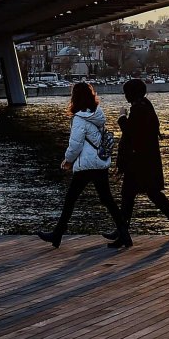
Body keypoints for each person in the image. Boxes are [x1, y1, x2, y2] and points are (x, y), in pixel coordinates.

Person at [38, 82, 129, 250]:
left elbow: (75, 145)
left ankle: (57, 235)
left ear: (75, 98)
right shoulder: (98, 115)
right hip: (99, 164)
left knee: (70, 199)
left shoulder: (79, 118)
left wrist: (68, 161)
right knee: (107, 199)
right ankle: (125, 234)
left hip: (86, 165)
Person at [106, 79, 169, 246]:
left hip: (138, 163)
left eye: (126, 93)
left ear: (132, 93)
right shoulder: (146, 106)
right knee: (151, 194)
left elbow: (132, 134)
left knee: (129, 195)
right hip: (147, 161)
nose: (125, 96)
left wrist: (122, 118)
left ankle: (123, 232)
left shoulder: (139, 110)